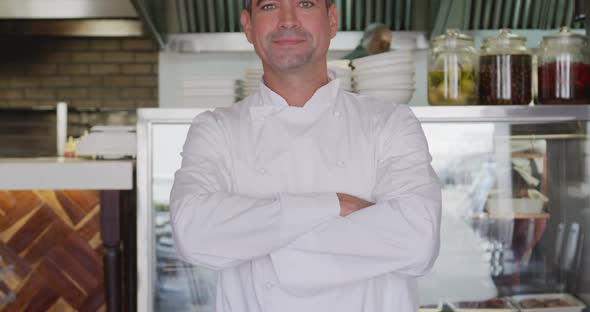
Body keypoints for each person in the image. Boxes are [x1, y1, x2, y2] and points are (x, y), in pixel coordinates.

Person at [169, 0, 441, 311]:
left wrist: (255, 240)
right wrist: (335, 204)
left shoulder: (390, 123)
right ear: (247, 25)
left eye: (306, 3)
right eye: (270, 6)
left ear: (332, 19)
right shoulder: (216, 129)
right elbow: (193, 234)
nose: (288, 20)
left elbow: (418, 241)